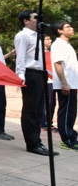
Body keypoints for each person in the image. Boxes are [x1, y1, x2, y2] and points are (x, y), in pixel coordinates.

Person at [14, 10, 58, 156]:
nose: (39, 20)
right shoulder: (23, 35)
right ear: (26, 21)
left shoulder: (38, 36)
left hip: (41, 74)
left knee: (39, 110)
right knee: (31, 110)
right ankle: (32, 143)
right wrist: (20, 75)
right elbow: (20, 57)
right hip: (30, 73)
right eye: (35, 18)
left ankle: (37, 141)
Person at [50, 21, 78, 151]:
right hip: (65, 85)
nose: (71, 28)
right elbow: (58, 64)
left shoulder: (67, 45)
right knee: (66, 112)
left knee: (71, 113)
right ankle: (66, 140)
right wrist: (64, 83)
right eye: (68, 27)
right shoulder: (58, 45)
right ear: (60, 30)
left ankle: (71, 137)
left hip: (71, 84)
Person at [41, 35, 57, 132]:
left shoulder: (51, 53)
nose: (50, 40)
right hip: (46, 80)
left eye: (50, 38)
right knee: (47, 102)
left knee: (52, 102)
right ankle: (43, 123)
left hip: (54, 80)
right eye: (47, 39)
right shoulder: (40, 54)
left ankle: (49, 122)